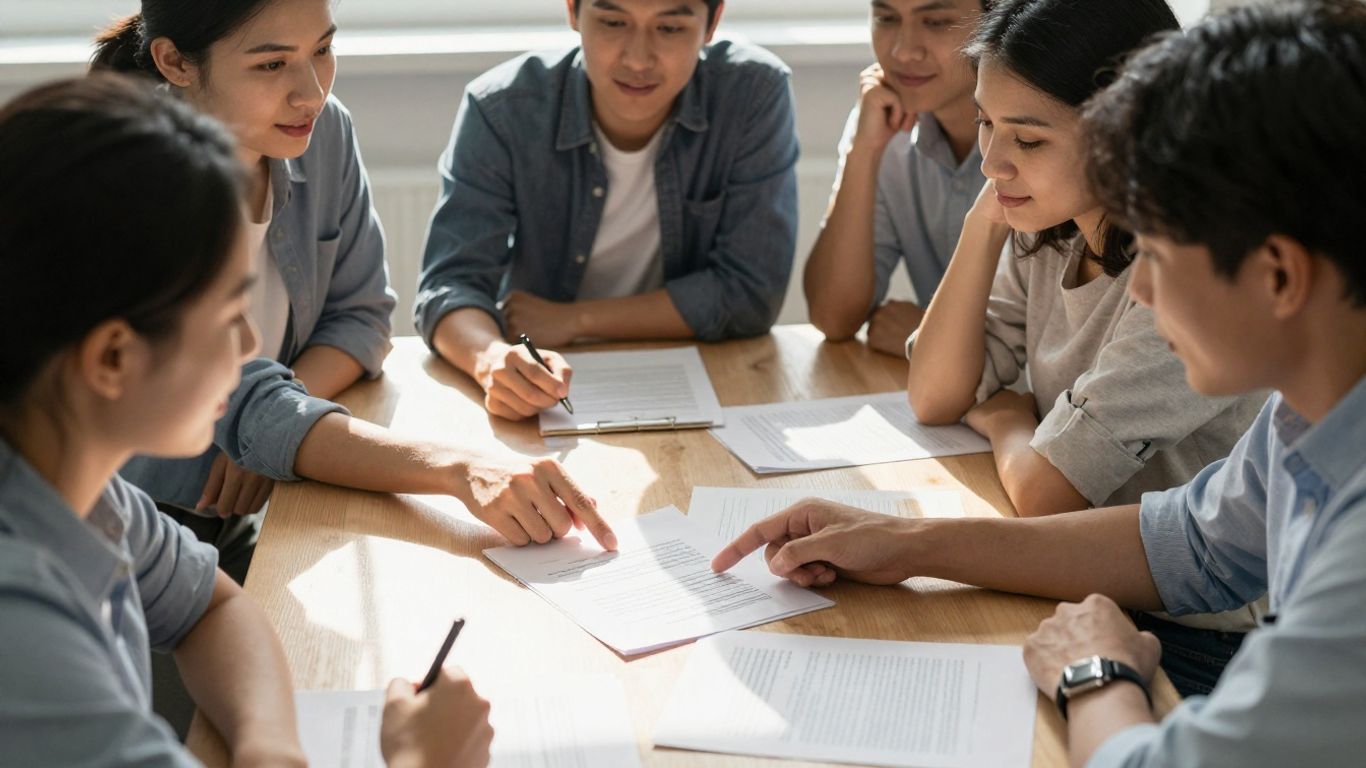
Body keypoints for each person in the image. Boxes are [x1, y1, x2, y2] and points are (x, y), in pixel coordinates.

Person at [713, 0, 1366, 763]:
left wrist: (1093, 674)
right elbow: (1190, 542)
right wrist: (903, 543)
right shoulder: (1301, 422)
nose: (1143, 291)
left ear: (1278, 274)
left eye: (1156, 252)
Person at [0, 73, 493, 768]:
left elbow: (213, 607)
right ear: (113, 355)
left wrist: (270, 748)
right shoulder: (19, 626)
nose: (250, 350)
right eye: (231, 315)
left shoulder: (76, 481)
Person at [92, 0, 618, 580]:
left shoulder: (319, 132)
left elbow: (363, 317)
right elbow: (240, 396)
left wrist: (277, 430)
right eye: (271, 66)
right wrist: (458, 467)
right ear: (175, 62)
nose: (310, 93)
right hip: (122, 527)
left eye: (322, 50)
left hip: (261, 505)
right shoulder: (127, 180)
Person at [416, 0, 800, 420]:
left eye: (670, 28)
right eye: (614, 22)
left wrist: (575, 320)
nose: (638, 59)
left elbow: (750, 292)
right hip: (547, 387)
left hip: (705, 377)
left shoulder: (753, 94)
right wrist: (490, 359)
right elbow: (450, 284)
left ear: (713, 23)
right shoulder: (502, 109)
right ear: (572, 12)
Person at [805, 0, 990, 356]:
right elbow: (833, 317)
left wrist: (926, 335)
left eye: (935, 22)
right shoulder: (885, 124)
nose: (902, 51)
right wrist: (864, 152)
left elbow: (1046, 362)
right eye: (886, 18)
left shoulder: (1039, 140)